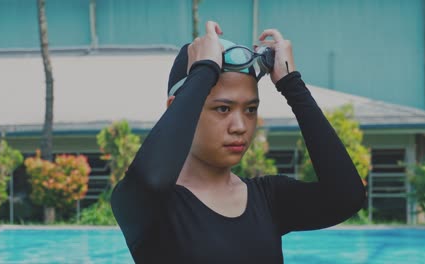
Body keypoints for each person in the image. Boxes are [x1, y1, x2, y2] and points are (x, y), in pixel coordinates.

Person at [111, 21, 366, 264]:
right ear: (179, 108)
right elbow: (152, 178)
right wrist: (204, 71)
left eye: (250, 110)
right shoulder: (144, 203)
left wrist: (292, 85)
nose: (240, 126)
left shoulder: (268, 199)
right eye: (223, 109)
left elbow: (347, 196)